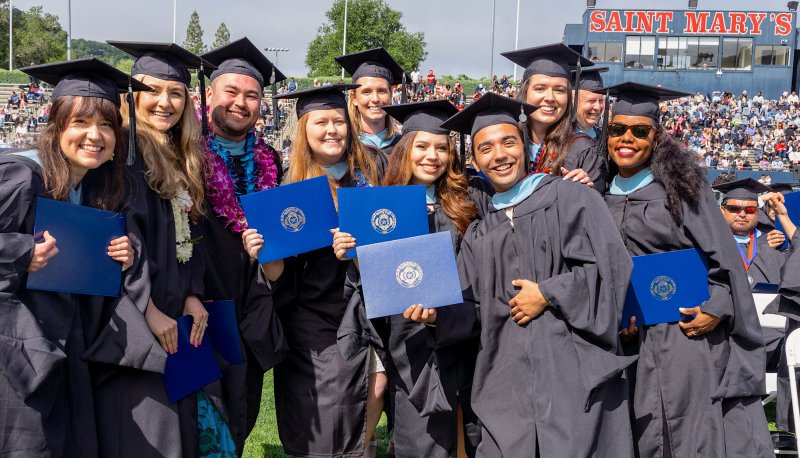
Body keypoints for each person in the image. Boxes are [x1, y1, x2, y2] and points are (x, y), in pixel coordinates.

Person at [407, 92, 636, 456]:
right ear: (475, 160)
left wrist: (549, 293)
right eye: (485, 148)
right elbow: (468, 304)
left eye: (508, 142)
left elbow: (612, 268)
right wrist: (438, 316)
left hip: (573, 376)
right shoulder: (480, 233)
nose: (499, 155)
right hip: (504, 382)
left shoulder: (572, 199)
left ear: (525, 148)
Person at [604, 82, 772, 457]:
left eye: (639, 130)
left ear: (657, 136)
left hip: (684, 334)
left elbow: (723, 260)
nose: (626, 138)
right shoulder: (598, 194)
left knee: (687, 434)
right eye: (617, 130)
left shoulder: (680, 189)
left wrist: (717, 307)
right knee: (639, 433)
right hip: (629, 340)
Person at [90, 41, 234, 456]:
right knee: (147, 432)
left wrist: (190, 293)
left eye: (176, 93)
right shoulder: (119, 153)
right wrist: (148, 309)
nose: (165, 103)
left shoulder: (179, 157)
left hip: (175, 312)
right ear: (131, 96)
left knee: (184, 426)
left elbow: (186, 239)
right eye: (152, 90)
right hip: (133, 321)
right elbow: (116, 240)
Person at [335, 100, 491, 457]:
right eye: (421, 146)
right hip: (410, 341)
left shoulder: (469, 199)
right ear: (405, 150)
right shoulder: (380, 206)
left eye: (441, 147)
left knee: (472, 432)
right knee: (420, 439)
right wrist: (354, 256)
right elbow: (370, 285)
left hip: (466, 332)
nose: (432, 156)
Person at [0, 57, 139, 457]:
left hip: (61, 348)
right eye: (80, 122)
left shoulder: (91, 189)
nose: (95, 135)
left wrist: (119, 255)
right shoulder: (22, 175)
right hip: (16, 355)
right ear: (57, 126)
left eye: (107, 125)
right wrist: (22, 252)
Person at [245, 84, 385, 457]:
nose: (332, 129)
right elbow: (277, 278)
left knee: (372, 402)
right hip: (315, 324)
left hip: (371, 312)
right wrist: (265, 254)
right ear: (304, 130)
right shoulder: (290, 190)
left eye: (339, 120)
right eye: (320, 121)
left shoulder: (369, 175)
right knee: (325, 419)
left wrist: (357, 253)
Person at [200, 37, 289, 450]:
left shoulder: (272, 159)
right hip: (199, 302)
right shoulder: (183, 154)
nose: (241, 102)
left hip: (252, 305)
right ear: (210, 93)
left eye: (252, 95)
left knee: (243, 408)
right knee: (199, 415)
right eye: (231, 92)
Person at [502, 43, 605, 191]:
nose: (550, 97)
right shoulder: (506, 141)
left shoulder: (585, 150)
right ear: (525, 93)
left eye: (559, 90)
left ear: (569, 98)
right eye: (540, 88)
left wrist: (584, 194)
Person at [335, 47, 405, 154]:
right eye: (366, 92)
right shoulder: (343, 147)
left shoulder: (403, 146)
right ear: (354, 98)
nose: (375, 99)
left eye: (382, 91)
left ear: (391, 96)